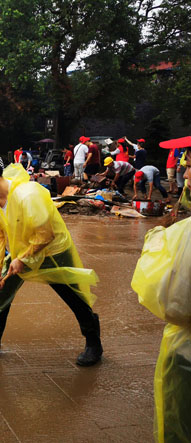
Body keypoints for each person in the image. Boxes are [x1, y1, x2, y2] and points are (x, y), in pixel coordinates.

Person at [0, 151, 102, 366]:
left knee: (72, 296)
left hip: (52, 251)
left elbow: (45, 235)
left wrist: (23, 259)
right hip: (21, 251)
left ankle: (93, 344)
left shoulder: (28, 194)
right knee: (0, 291)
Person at [131, 152, 191, 442]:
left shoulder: (184, 236)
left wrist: (159, 239)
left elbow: (168, 300)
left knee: (178, 419)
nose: (186, 176)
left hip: (185, 350)